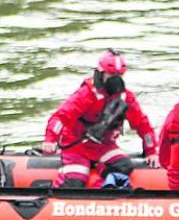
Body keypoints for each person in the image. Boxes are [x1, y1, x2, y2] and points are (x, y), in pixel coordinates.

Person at [42, 49, 159, 188]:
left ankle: (102, 180)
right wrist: (50, 139)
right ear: (102, 73)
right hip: (77, 146)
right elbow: (61, 117)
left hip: (104, 146)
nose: (115, 78)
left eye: (118, 75)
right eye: (111, 74)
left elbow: (142, 125)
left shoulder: (125, 97)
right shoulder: (86, 94)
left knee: (125, 165)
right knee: (75, 181)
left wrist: (151, 151)